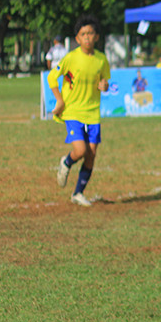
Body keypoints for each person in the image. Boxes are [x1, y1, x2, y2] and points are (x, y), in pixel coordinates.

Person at [48, 14, 110, 207]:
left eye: (91, 33)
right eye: (83, 34)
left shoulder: (101, 60)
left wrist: (104, 86)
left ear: (97, 37)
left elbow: (106, 81)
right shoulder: (71, 58)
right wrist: (59, 100)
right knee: (80, 150)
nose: (87, 37)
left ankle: (78, 193)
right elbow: (52, 77)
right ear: (77, 39)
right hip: (73, 111)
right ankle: (66, 163)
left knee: (91, 155)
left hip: (93, 113)